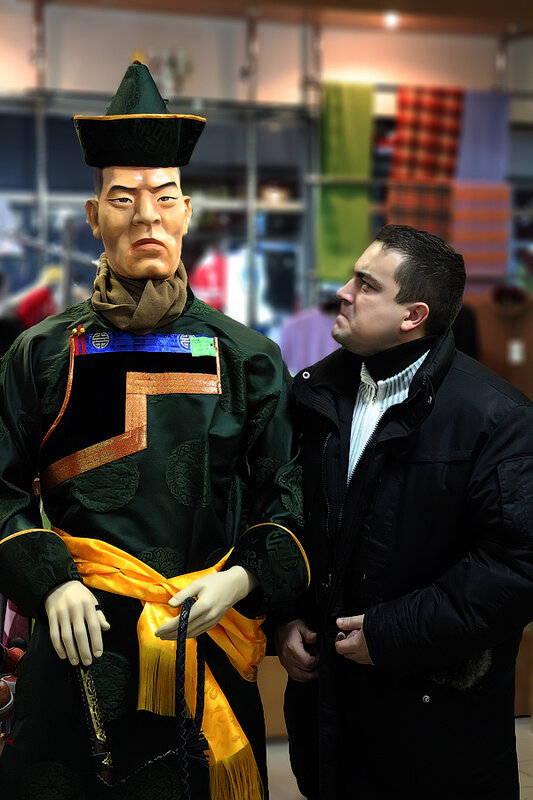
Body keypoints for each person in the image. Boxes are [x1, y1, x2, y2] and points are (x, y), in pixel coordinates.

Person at [0, 62, 309, 800]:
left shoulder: (247, 357)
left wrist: (240, 578)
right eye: (123, 198)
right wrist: (50, 583)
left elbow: (287, 494)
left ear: (188, 213)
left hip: (199, 636)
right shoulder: (40, 352)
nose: (146, 217)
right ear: (92, 216)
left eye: (164, 197)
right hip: (77, 638)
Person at [274, 224, 533, 800]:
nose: (342, 293)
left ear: (413, 315)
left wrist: (393, 633)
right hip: (328, 718)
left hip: (436, 727)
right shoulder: (313, 397)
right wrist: (284, 618)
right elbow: (285, 516)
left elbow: (517, 567)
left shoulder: (497, 418)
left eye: (366, 285)